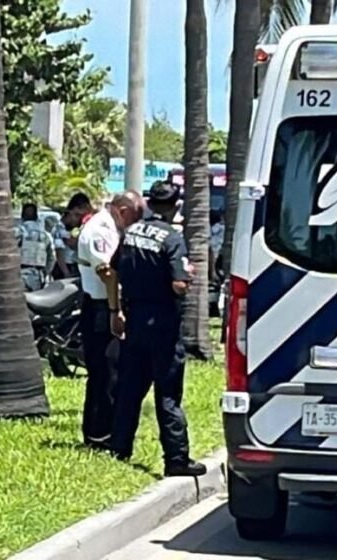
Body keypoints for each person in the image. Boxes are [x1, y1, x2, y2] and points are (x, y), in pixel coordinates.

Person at [109, 181, 207, 477]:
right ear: (176, 205)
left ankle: (119, 448)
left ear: (150, 203)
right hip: (163, 321)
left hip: (135, 317)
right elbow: (179, 285)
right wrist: (186, 279)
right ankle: (176, 459)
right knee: (167, 392)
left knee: (130, 388)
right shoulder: (173, 238)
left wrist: (117, 310)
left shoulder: (130, 233)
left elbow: (113, 269)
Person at [76, 191, 144, 449]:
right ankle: (98, 435)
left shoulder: (110, 226)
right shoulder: (100, 229)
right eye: (134, 218)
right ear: (124, 211)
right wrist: (116, 311)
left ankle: (106, 430)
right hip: (101, 307)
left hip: (108, 305)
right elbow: (108, 273)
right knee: (105, 373)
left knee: (113, 372)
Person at [14, 204, 55, 292]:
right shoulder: (45, 235)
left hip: (21, 274)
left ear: (22, 216)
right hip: (39, 276)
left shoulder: (19, 232)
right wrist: (46, 272)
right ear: (36, 217)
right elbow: (52, 257)